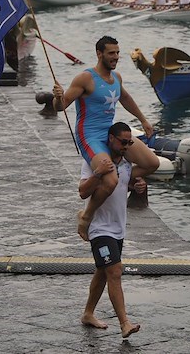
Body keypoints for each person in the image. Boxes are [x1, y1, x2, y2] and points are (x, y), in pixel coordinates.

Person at [52, 36, 159, 241]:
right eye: (111, 53)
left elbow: (125, 98)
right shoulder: (85, 78)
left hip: (110, 133)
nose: (116, 57)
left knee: (151, 162)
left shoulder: (116, 78)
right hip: (89, 136)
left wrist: (143, 120)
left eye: (117, 53)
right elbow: (61, 106)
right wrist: (58, 96)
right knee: (110, 181)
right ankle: (86, 216)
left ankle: (122, 178)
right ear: (99, 54)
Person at [79, 121, 145, 339]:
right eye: (123, 141)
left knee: (102, 272)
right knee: (115, 271)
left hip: (118, 229)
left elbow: (121, 188)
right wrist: (97, 174)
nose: (126, 146)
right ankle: (124, 323)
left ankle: (88, 313)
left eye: (129, 142)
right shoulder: (95, 162)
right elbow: (82, 192)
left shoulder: (127, 165)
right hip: (100, 229)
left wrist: (135, 187)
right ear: (111, 139)